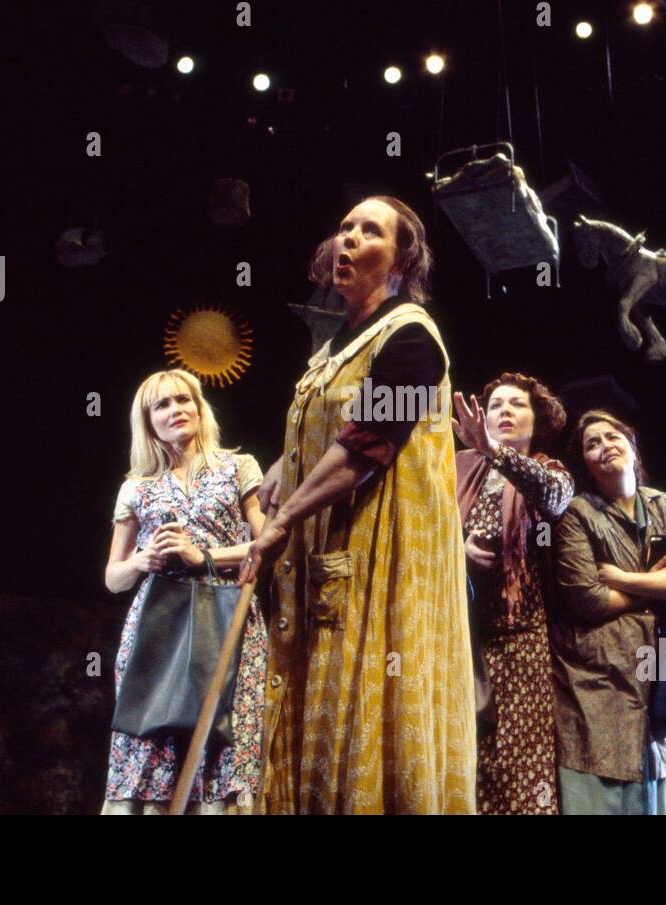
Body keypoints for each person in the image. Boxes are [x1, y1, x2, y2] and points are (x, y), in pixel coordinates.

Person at [239, 195, 476, 814]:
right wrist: (282, 466)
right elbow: (331, 427)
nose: (347, 239)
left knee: (371, 713)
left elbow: (367, 445)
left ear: (401, 258)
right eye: (343, 226)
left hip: (386, 567)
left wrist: (283, 518)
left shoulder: (412, 338)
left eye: (369, 231)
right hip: (331, 565)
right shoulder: (334, 346)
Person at [101, 368, 267, 815]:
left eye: (183, 400)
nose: (176, 410)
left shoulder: (238, 467)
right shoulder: (137, 488)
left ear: (199, 407)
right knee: (151, 740)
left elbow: (268, 543)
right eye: (162, 405)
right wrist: (142, 560)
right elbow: (112, 577)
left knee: (222, 737)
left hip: (226, 618)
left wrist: (204, 556)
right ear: (148, 421)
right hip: (159, 625)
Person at [550, 409, 666, 815]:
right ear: (583, 462)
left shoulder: (662, 506)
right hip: (593, 681)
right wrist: (655, 587)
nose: (605, 447)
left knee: (650, 788)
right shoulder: (577, 515)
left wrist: (621, 577)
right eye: (592, 444)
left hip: (651, 680)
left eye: (612, 436)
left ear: (632, 446)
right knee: (595, 788)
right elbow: (589, 599)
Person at [453, 373, 573, 814]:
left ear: (537, 419)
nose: (504, 411)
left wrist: (493, 450)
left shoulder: (550, 470)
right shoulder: (459, 467)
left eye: (516, 405)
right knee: (467, 764)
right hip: (459, 638)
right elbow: (422, 527)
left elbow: (553, 497)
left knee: (520, 765)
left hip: (520, 642)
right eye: (496, 404)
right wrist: (456, 548)